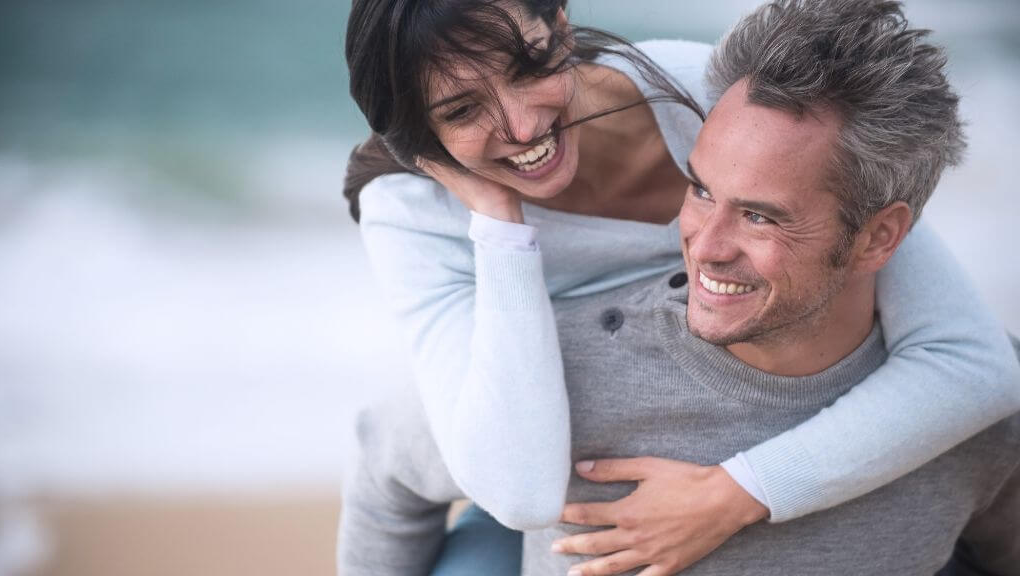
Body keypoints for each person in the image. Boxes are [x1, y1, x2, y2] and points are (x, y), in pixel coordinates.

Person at [338, 0, 1020, 574]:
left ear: (564, 28)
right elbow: (507, 487)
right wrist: (498, 224)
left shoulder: (714, 99)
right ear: (419, 137)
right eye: (460, 110)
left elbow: (970, 362)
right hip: (529, 435)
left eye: (526, 66)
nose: (519, 126)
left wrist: (735, 493)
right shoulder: (414, 211)